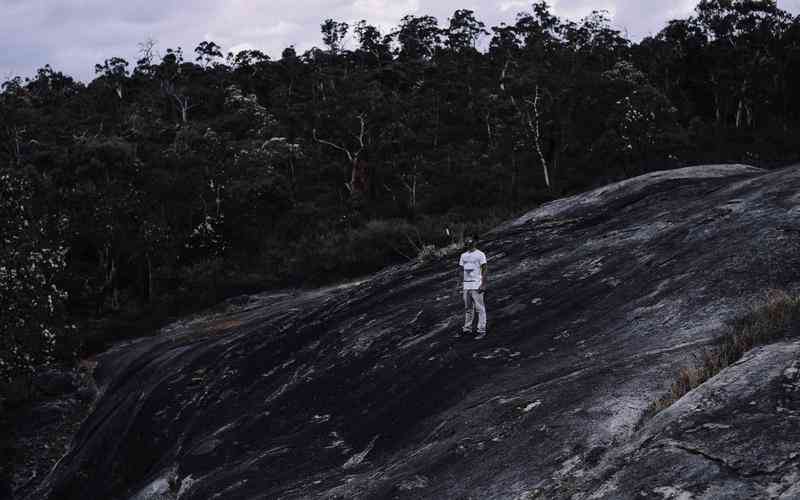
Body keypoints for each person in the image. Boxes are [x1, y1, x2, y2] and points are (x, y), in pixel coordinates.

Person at [457, 235, 488, 339]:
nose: (469, 245)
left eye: (471, 243)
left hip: (476, 284)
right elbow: (461, 269)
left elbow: (484, 269)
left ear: (475, 243)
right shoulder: (463, 255)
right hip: (466, 285)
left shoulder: (480, 254)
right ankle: (467, 329)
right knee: (468, 308)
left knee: (480, 308)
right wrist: (460, 283)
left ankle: (481, 330)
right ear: (466, 244)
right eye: (467, 243)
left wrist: (483, 284)